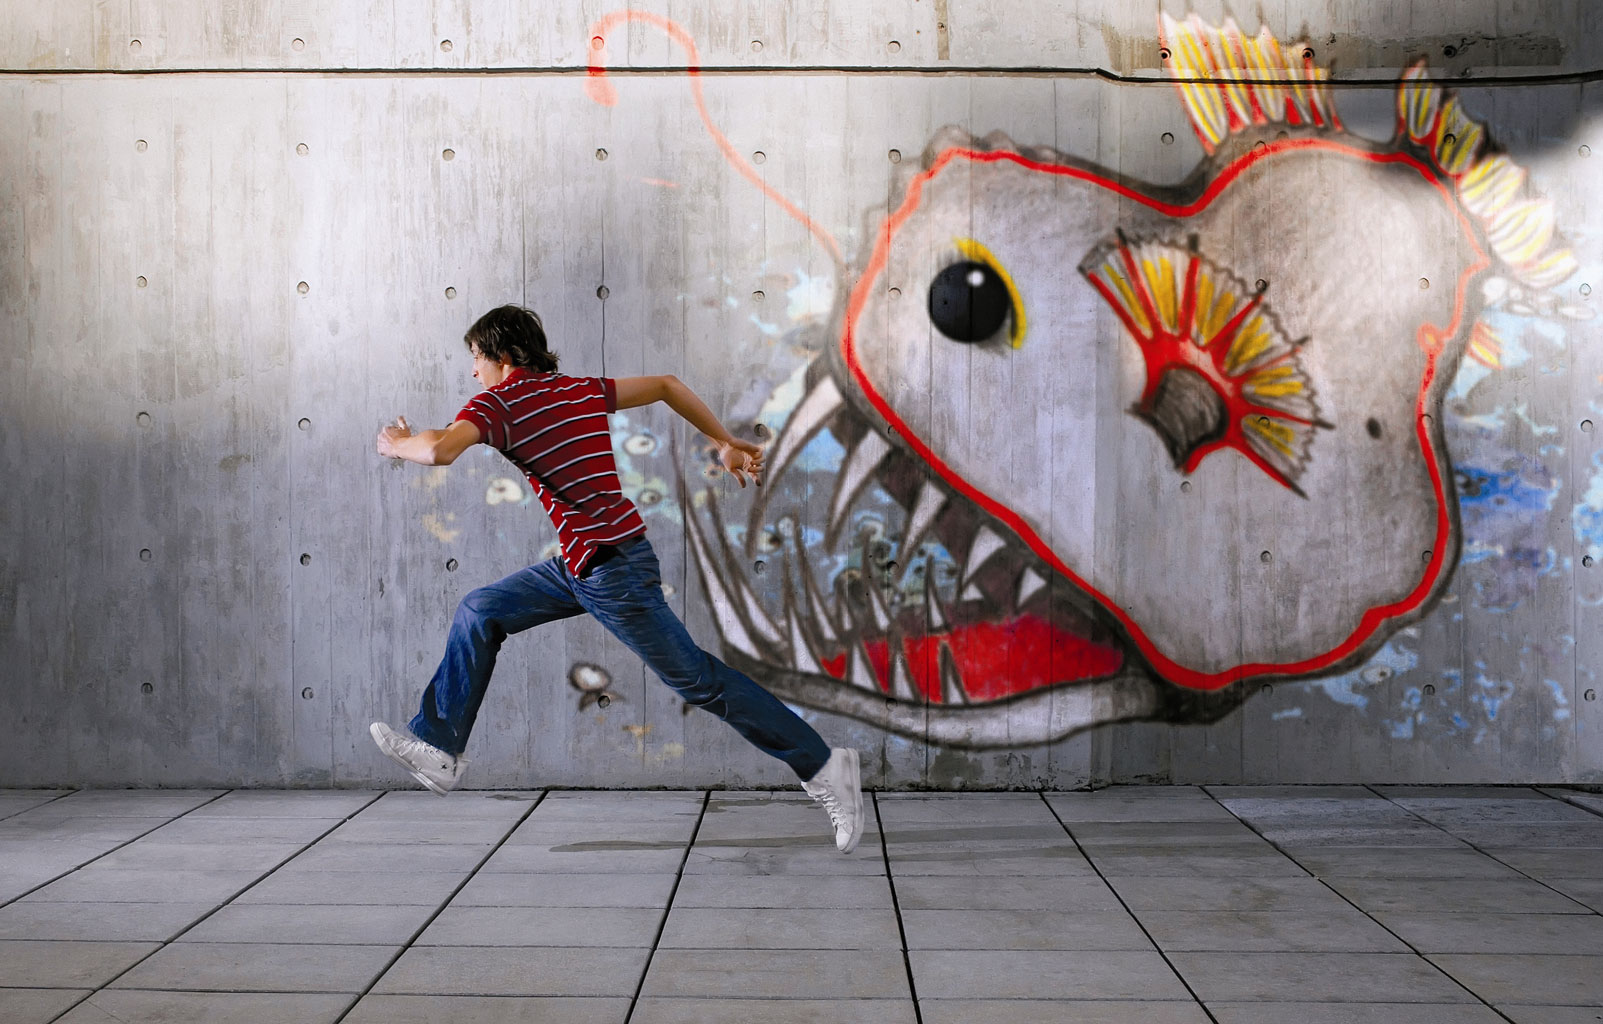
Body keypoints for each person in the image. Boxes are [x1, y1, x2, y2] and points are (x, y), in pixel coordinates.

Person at [368, 304, 864, 853]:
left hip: (613, 575)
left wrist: (394, 445)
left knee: (699, 681)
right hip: (586, 562)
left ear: (503, 356)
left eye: (476, 357)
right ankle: (440, 748)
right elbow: (667, 385)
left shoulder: (499, 402)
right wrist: (723, 440)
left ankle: (824, 766)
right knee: (480, 610)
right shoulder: (578, 390)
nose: (472, 370)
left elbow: (439, 449)